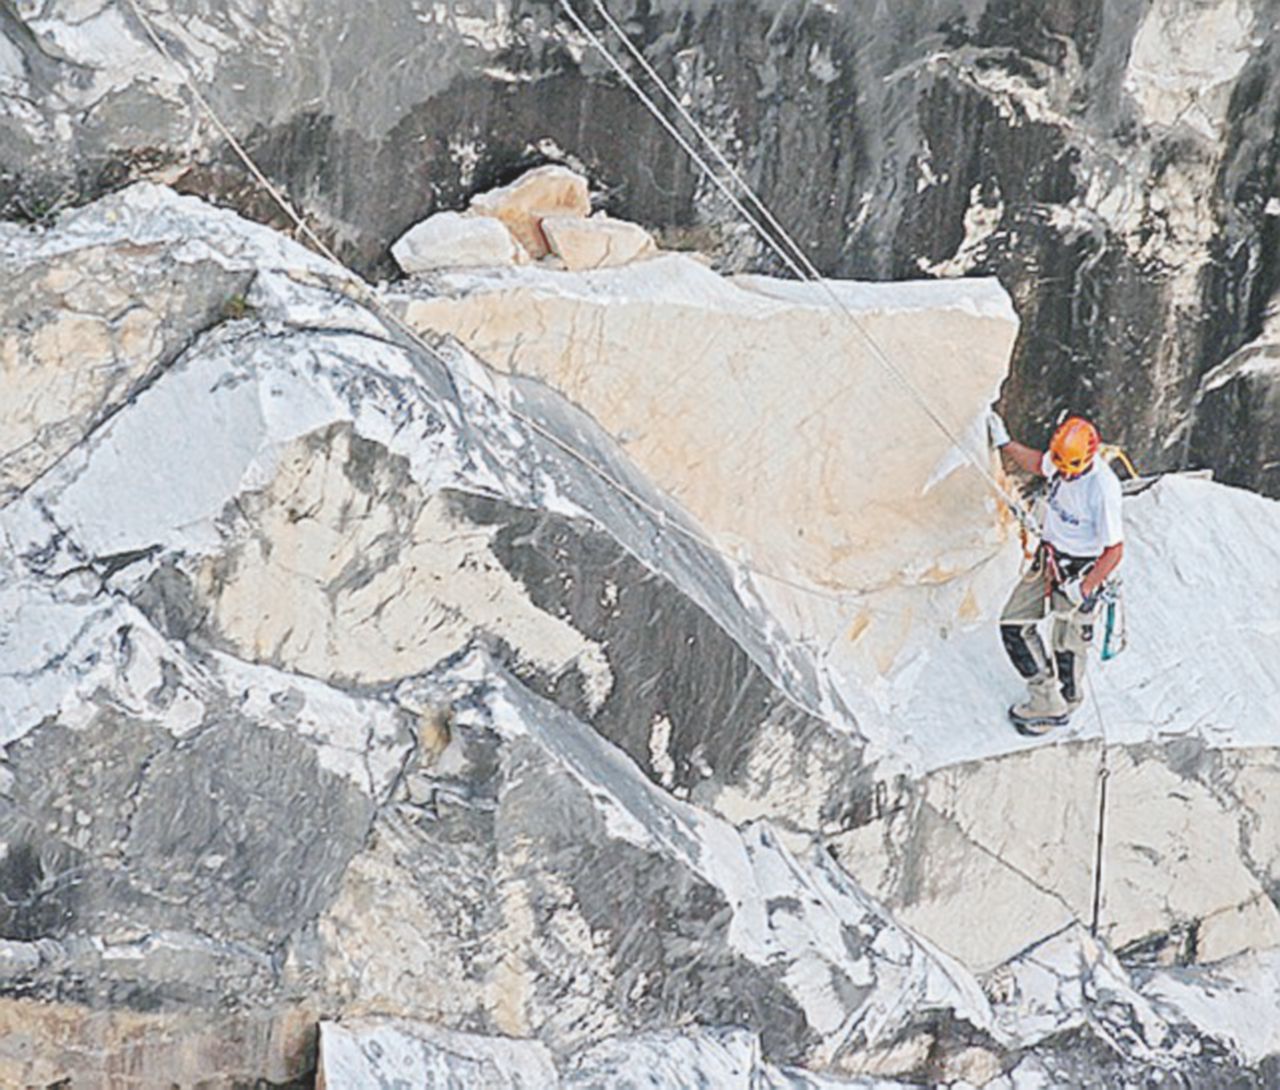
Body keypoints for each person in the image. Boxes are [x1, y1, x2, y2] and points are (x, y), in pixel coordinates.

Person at [988, 411, 1124, 733]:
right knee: (1014, 623)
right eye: (1060, 464)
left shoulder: (1101, 489)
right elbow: (1039, 464)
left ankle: (1066, 700)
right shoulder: (1063, 463)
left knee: (1068, 642)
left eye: (1069, 467)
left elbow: (1114, 550)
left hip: (1080, 569)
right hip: (1050, 559)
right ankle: (1046, 698)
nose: (1062, 472)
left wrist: (1085, 588)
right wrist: (1006, 443)